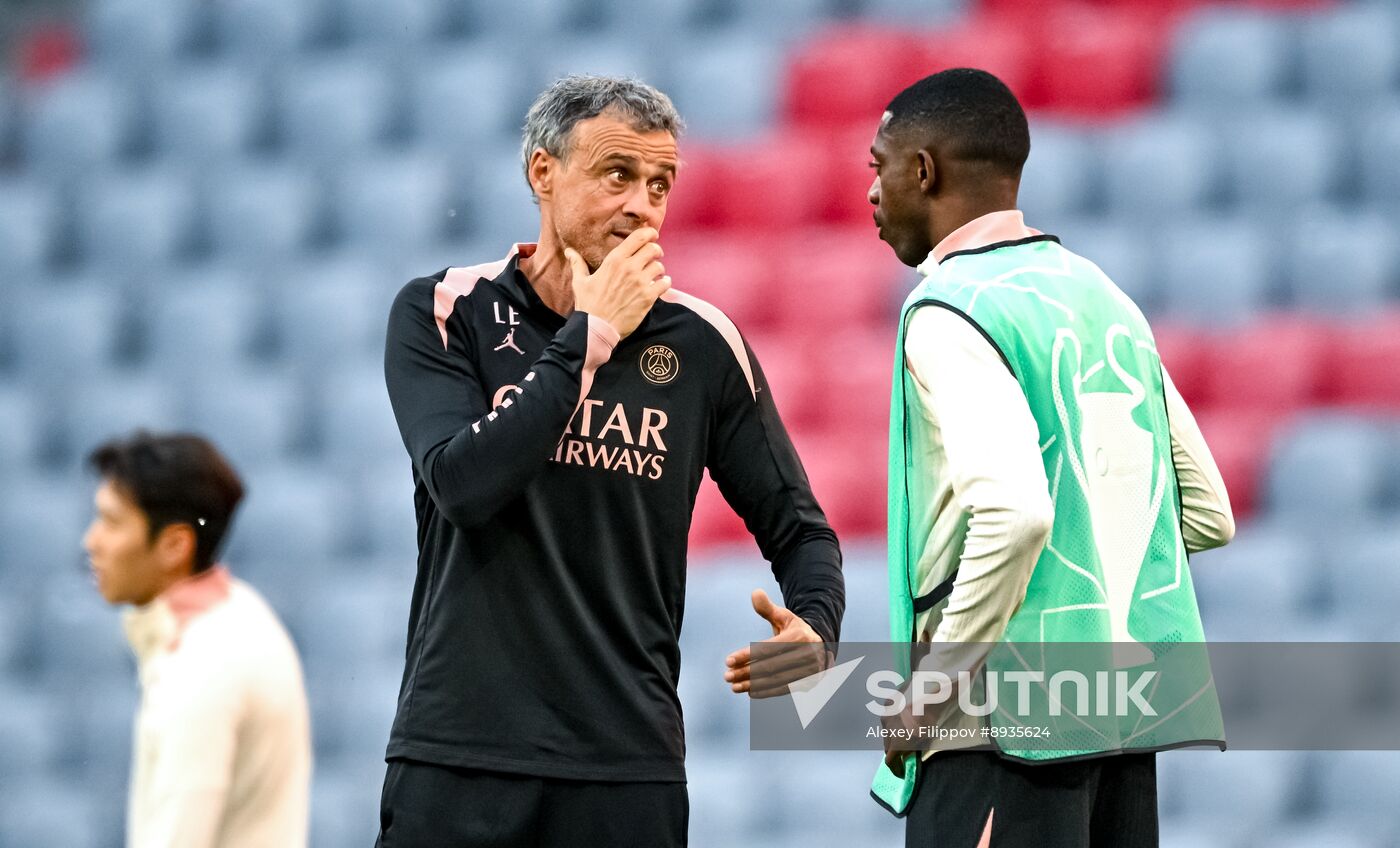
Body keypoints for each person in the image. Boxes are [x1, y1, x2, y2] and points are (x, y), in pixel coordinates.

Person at [376, 74, 845, 847]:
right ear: (542, 172)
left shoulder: (703, 345)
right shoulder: (443, 311)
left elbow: (804, 534)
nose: (643, 206)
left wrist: (817, 631)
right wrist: (590, 336)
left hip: (625, 770)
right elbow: (462, 483)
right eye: (618, 175)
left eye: (661, 184)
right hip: (460, 759)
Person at [864, 69, 1236, 847]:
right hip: (1120, 725)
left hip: (998, 730)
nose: (871, 190)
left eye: (879, 165)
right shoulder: (1103, 295)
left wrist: (930, 691)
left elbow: (1017, 512)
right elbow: (1204, 509)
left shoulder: (949, 309)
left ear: (923, 170)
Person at [81, 431, 311, 848]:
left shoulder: (202, 665)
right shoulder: (239, 615)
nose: (91, 541)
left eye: (112, 522)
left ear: (174, 545)